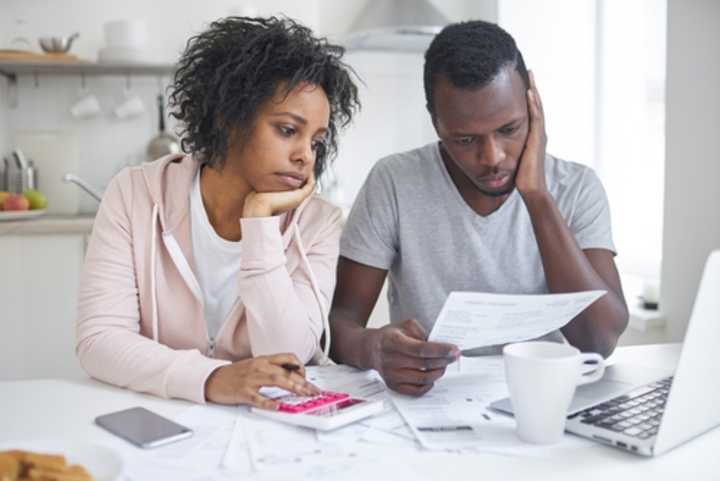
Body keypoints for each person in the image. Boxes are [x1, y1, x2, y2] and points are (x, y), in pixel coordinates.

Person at [329, 20, 628, 396]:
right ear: (435, 119)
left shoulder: (577, 188)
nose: (493, 157)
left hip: (540, 399)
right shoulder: (394, 181)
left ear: (532, 102)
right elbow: (339, 326)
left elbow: (598, 341)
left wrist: (537, 197)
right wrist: (374, 348)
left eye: (509, 129)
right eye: (465, 139)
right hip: (429, 404)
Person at [76, 16, 359, 408]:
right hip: (159, 412)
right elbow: (100, 340)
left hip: (268, 422)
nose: (305, 156)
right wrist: (212, 379)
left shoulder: (318, 222)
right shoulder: (135, 193)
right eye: (287, 130)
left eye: (316, 140)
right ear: (228, 118)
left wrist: (259, 221)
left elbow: (289, 353)